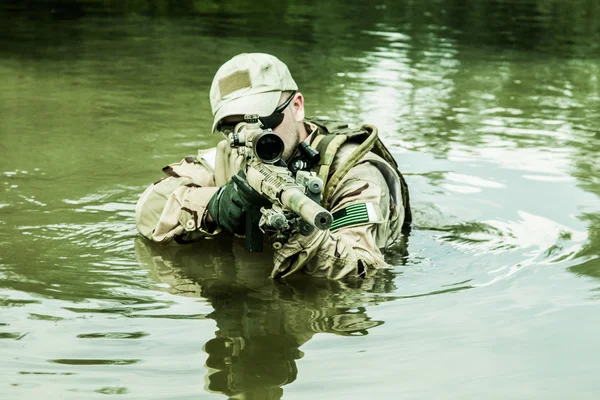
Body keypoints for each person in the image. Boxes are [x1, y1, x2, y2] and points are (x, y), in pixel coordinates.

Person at [135, 53, 411, 280]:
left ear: (297, 106)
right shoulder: (231, 154)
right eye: (232, 128)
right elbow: (148, 210)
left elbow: (361, 273)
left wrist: (295, 229)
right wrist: (217, 205)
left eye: (264, 120)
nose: (248, 136)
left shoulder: (354, 172)